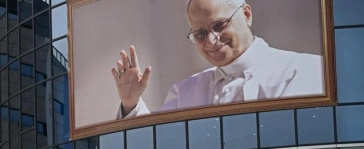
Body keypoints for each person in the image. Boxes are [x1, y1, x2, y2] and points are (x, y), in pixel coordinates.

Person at [112, 0, 324, 119]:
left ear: (247, 15)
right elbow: (155, 143)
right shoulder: (184, 92)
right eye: (200, 34)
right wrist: (131, 104)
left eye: (220, 25)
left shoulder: (303, 70)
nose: (211, 40)